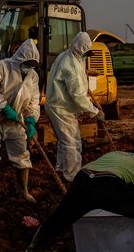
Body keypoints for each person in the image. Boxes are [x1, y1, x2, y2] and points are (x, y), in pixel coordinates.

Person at [24, 142, 134, 252]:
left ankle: (32, 250)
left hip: (84, 177)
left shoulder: (115, 153)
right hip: (110, 184)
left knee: (61, 216)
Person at [0, 39, 41, 205]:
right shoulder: (1, 67)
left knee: (21, 154)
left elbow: (33, 102)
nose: (28, 67)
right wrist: (4, 107)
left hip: (16, 119)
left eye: (32, 65)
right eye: (26, 64)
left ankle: (24, 191)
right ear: (19, 59)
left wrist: (30, 120)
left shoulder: (33, 77)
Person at [45, 31, 105, 181]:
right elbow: (77, 95)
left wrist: (85, 73)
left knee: (64, 140)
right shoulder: (69, 63)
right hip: (62, 108)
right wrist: (95, 112)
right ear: (80, 49)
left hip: (58, 105)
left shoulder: (67, 56)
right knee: (72, 142)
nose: (86, 56)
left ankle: (61, 169)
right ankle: (72, 177)